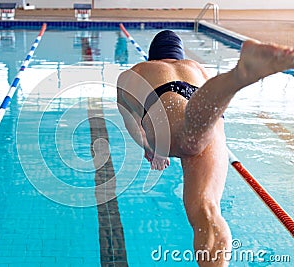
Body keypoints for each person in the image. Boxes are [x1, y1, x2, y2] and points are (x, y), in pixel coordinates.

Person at [116, 30, 294, 267]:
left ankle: (239, 77)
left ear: (151, 56)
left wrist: (151, 149)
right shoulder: (195, 67)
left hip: (166, 106)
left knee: (189, 139)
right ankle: (235, 79)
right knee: (207, 209)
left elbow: (134, 127)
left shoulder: (135, 73)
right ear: (179, 56)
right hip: (207, 110)